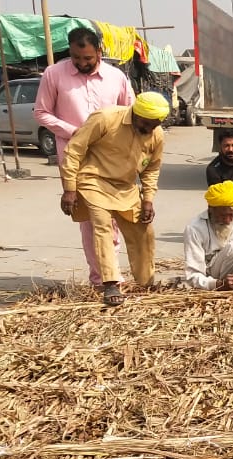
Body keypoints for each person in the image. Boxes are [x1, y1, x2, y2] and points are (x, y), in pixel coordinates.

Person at [33, 26, 134, 287]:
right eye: (77, 59)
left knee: (113, 216)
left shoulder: (116, 77)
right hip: (76, 158)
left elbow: (130, 113)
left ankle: (111, 271)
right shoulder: (53, 74)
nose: (82, 64)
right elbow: (41, 113)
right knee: (91, 219)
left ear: (99, 51)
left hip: (111, 157)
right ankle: (102, 278)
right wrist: (76, 132)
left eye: (88, 59)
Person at [59, 92, 168, 306]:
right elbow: (74, 150)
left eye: (154, 125)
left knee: (144, 231)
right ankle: (110, 283)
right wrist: (69, 188)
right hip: (94, 180)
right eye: (146, 124)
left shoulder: (156, 134)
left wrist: (148, 200)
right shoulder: (106, 118)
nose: (149, 130)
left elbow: (152, 169)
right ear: (136, 114)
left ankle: (146, 282)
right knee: (102, 226)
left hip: (126, 187)